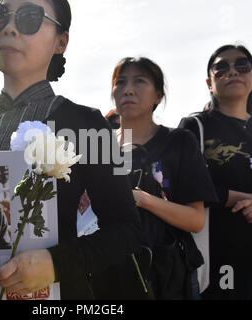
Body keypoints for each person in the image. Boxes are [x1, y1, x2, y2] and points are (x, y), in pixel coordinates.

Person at [0, 0, 141, 300]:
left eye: (29, 17)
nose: (9, 28)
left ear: (61, 41)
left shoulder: (88, 124)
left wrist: (56, 264)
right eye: (0, 15)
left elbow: (127, 229)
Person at [91, 57, 217, 300]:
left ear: (158, 95)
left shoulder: (178, 142)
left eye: (140, 81)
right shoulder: (98, 147)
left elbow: (196, 220)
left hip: (165, 278)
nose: (128, 90)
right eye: (120, 82)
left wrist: (145, 200)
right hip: (106, 275)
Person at [179, 44, 252, 299]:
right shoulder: (194, 127)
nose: (232, 72)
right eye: (221, 68)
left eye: (242, 66)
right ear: (209, 82)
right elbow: (188, 190)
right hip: (220, 255)